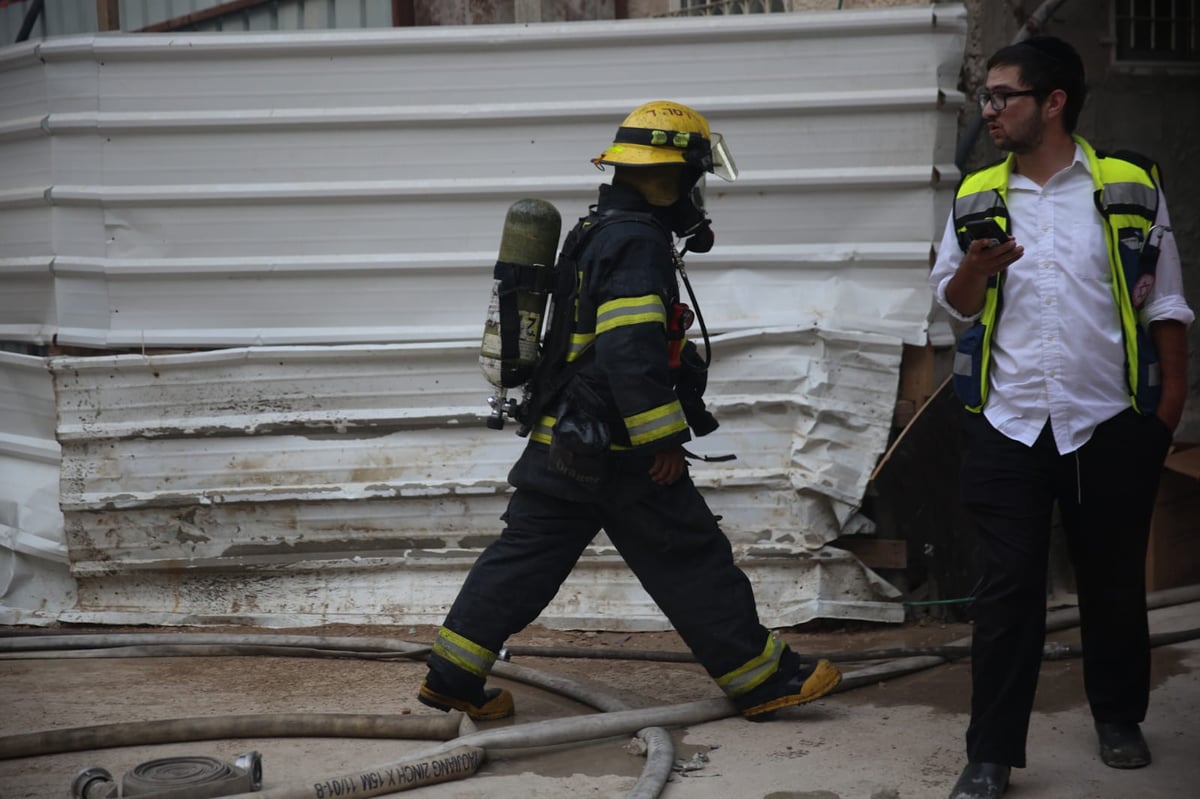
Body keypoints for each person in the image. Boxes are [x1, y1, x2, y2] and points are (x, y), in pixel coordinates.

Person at [417, 100, 842, 723]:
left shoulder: (597, 229)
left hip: (562, 436)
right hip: (615, 446)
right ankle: (762, 679)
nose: (696, 192)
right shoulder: (638, 243)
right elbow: (629, 351)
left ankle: (452, 675)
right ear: (670, 176)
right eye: (693, 176)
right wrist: (660, 442)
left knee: (523, 560)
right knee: (690, 557)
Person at [929, 36, 1193, 799]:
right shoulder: (979, 192)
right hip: (1007, 421)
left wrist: (1165, 412)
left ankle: (1118, 716)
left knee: (1112, 578)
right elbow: (953, 306)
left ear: (1053, 102)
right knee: (1006, 589)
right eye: (986, 97)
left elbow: (1167, 301)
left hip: (1109, 421)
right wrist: (975, 272)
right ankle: (989, 753)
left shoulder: (1129, 185)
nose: (990, 111)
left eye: (1001, 96)